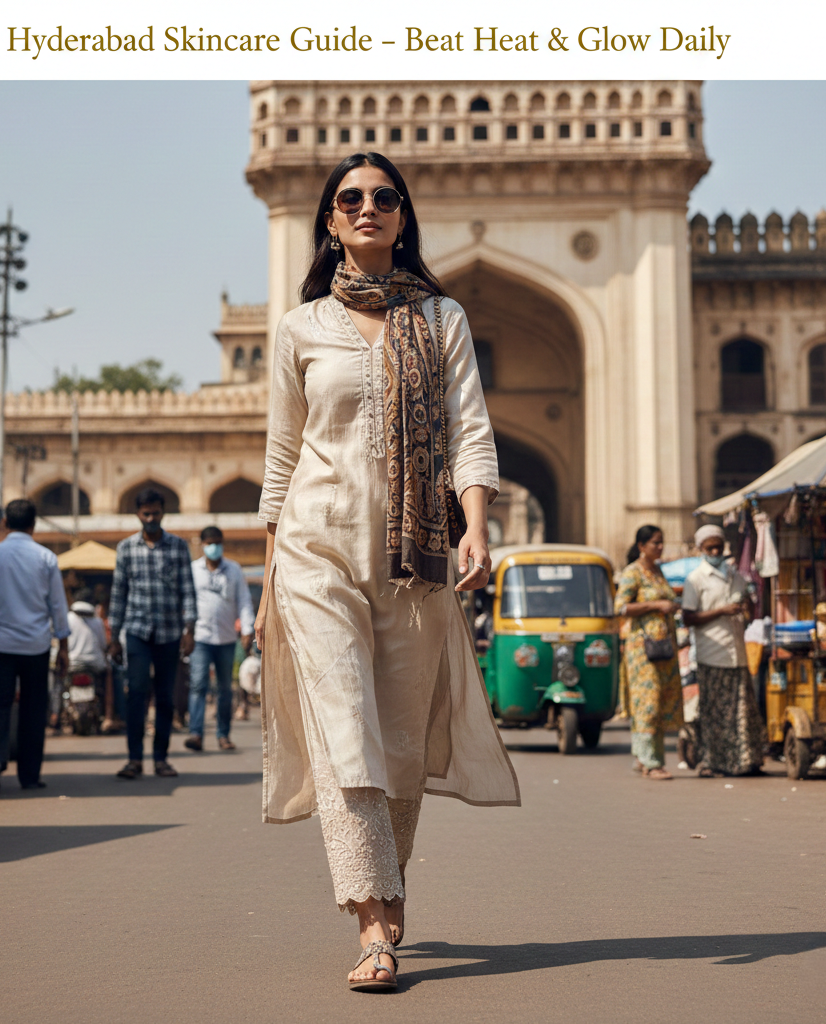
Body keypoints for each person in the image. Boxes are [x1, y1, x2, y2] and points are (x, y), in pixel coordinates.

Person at [254, 152, 520, 992]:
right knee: (346, 727)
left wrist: (476, 526)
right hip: (316, 547)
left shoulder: (442, 319)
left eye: (382, 197)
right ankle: (371, 917)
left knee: (400, 739)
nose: (366, 207)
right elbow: (281, 459)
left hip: (415, 559)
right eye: (349, 199)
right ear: (330, 222)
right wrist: (268, 572)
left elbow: (470, 430)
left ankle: (386, 873)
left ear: (403, 217)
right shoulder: (300, 329)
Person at [0, 498, 69, 792]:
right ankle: (29, 776)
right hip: (36, 646)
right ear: (34, 525)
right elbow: (58, 606)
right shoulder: (47, 558)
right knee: (33, 710)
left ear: (4, 523)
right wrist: (64, 647)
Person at [108, 487, 197, 779]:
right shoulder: (126, 548)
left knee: (165, 698)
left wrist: (190, 630)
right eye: (146, 514)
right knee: (136, 694)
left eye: (155, 513)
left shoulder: (178, 547)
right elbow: (118, 594)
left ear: (162, 513)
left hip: (169, 632)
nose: (150, 519)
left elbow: (187, 591)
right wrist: (114, 637)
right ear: (138, 514)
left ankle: (161, 758)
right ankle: (134, 759)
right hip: (137, 631)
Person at [682, 524, 765, 777]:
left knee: (741, 711)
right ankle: (712, 762)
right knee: (714, 713)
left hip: (737, 653)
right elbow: (688, 617)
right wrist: (720, 611)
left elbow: (750, 611)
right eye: (710, 548)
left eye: (718, 547)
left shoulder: (735, 576)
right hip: (711, 654)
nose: (715, 552)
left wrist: (747, 606)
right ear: (701, 549)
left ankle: (743, 760)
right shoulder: (695, 579)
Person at [614, 524, 683, 780]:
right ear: (642, 546)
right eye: (656, 542)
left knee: (660, 702)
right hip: (643, 650)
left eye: (662, 542)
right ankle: (651, 762)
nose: (661, 547)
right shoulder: (633, 572)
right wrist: (656, 605)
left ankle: (643, 756)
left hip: (664, 647)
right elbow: (621, 607)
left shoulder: (658, 571)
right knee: (648, 703)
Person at [185, 525, 255, 752]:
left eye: (217, 543)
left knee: (225, 688)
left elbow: (244, 600)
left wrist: (247, 629)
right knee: (198, 685)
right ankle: (196, 733)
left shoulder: (233, 570)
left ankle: (223, 735)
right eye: (209, 543)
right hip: (200, 637)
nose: (213, 547)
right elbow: (186, 602)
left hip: (226, 638)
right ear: (202, 545)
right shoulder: (193, 570)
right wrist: (185, 632)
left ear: (222, 544)